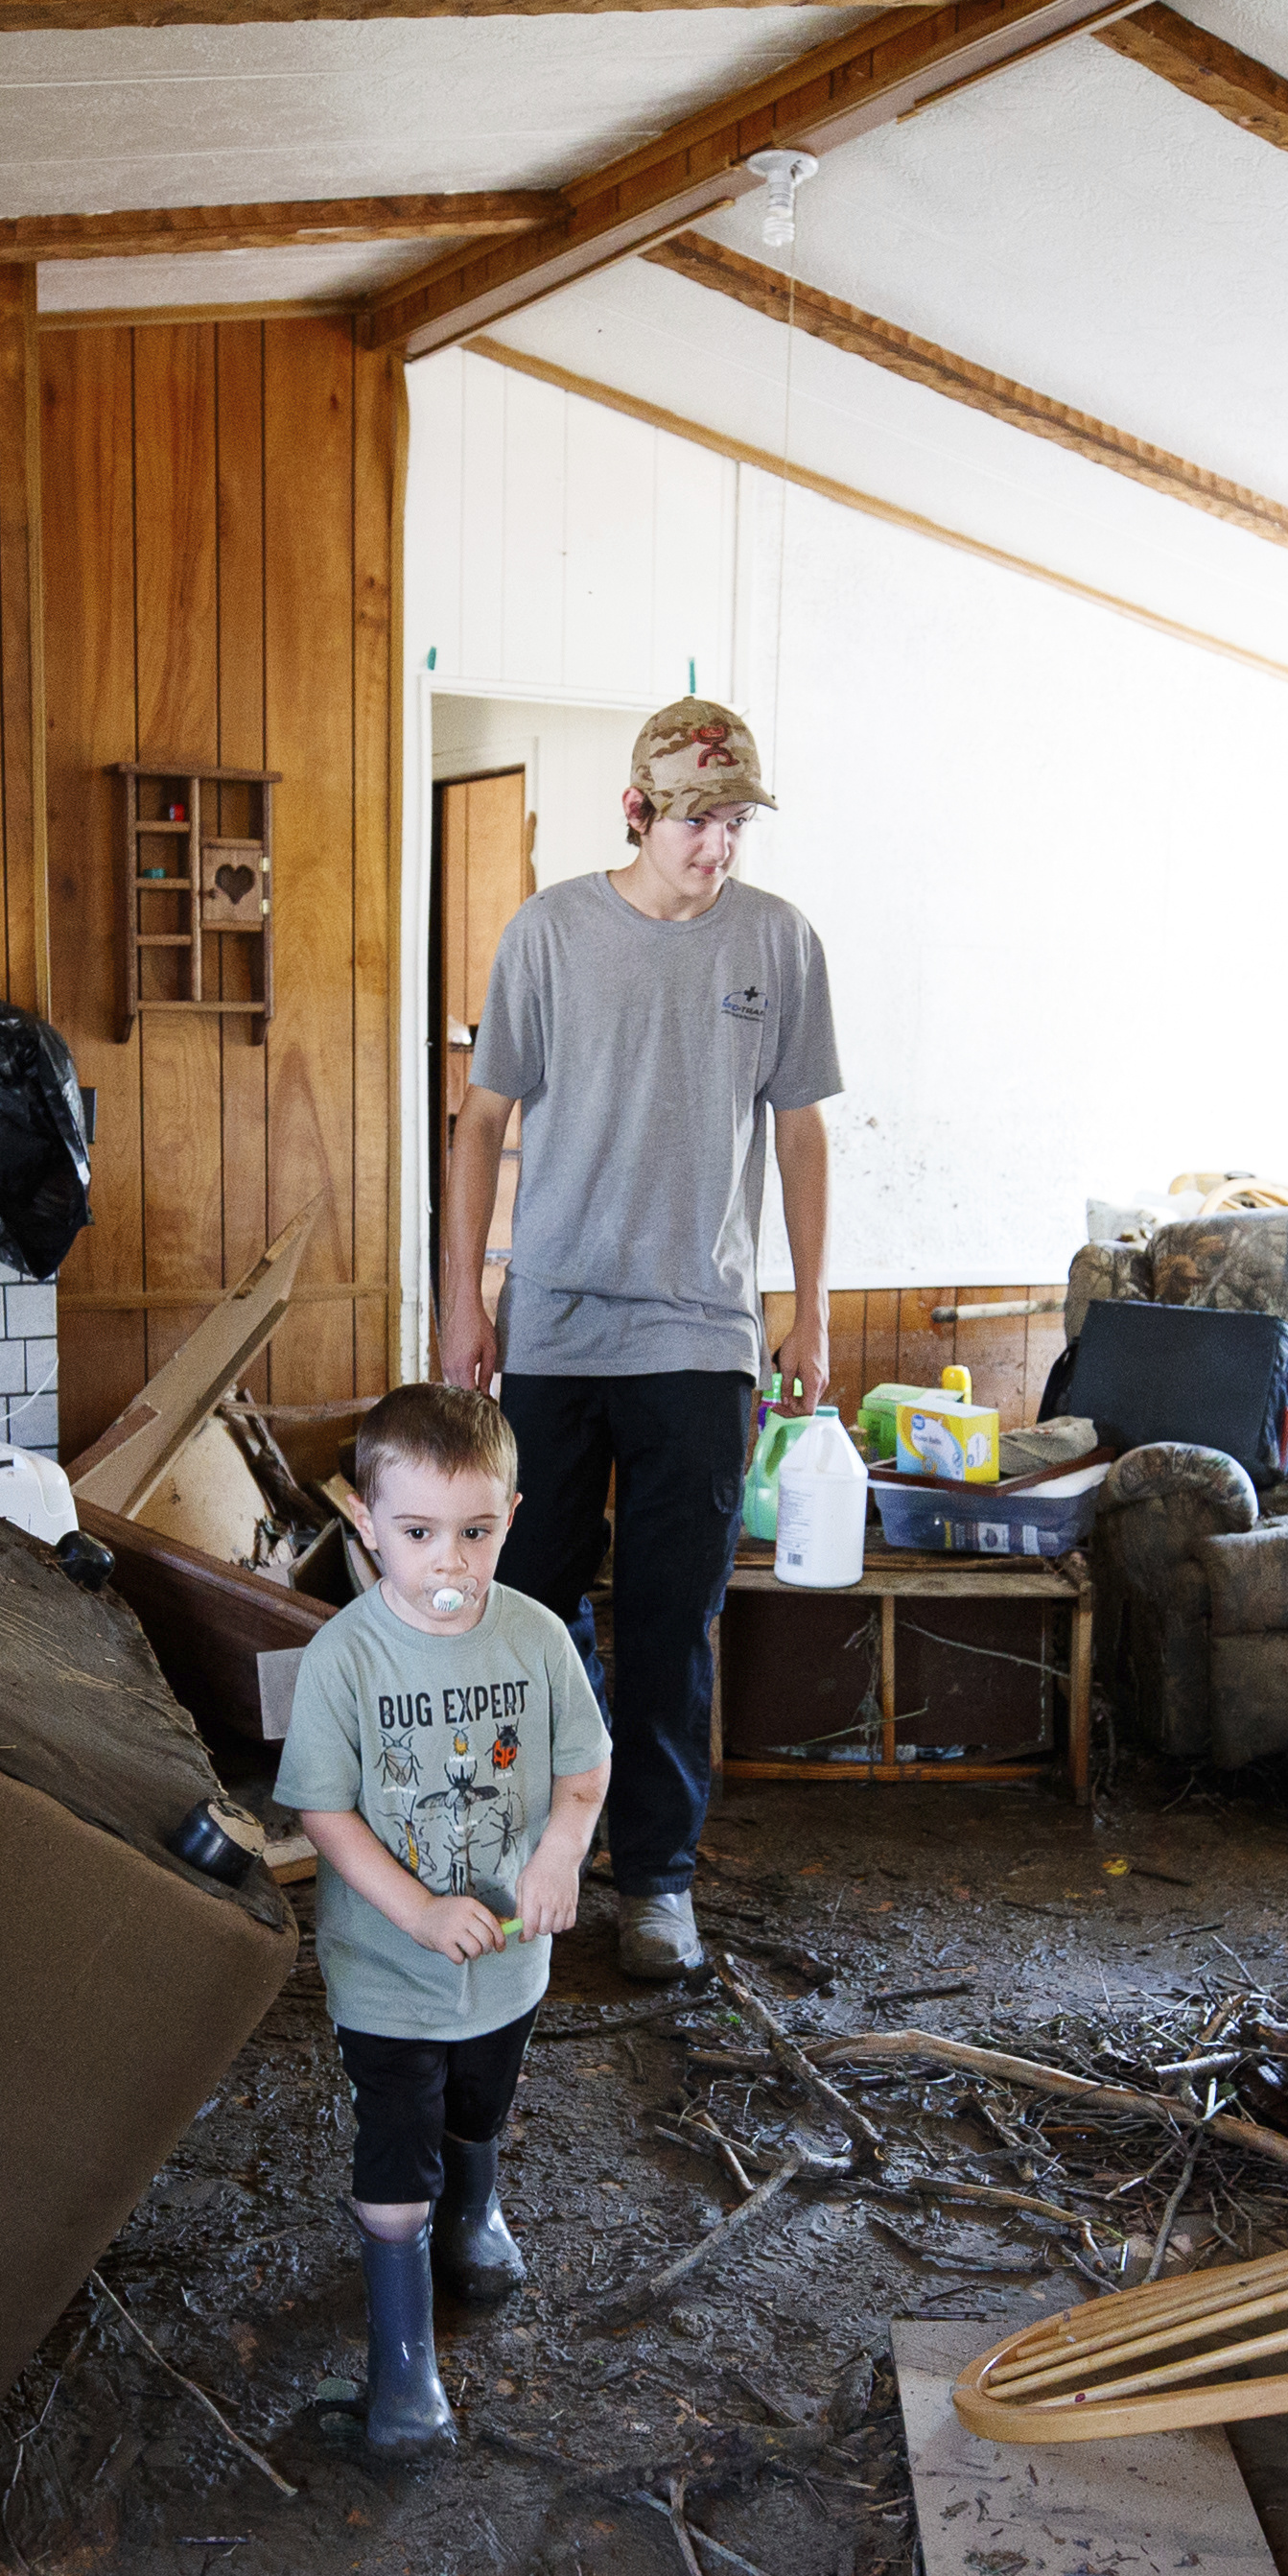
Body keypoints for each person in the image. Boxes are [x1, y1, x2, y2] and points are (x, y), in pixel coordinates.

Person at [436, 696, 839, 1989]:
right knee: (528, 1614)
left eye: (733, 822)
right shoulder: (551, 934)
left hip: (702, 1336)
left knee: (673, 1625)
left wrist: (812, 1309)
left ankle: (656, 1882)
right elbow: (483, 1122)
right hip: (554, 1330)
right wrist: (464, 1299)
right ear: (635, 811)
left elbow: (801, 1134)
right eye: (693, 821)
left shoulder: (779, 942)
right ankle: (509, 1859)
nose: (715, 845)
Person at [273, 1383, 615, 2453]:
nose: (450, 1563)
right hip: (387, 1968)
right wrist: (417, 1908)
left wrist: (562, 1853)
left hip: (508, 1965)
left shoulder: (539, 1637)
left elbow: (586, 1767)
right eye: (418, 1534)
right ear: (365, 1524)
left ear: (512, 1516)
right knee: (396, 2148)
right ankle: (406, 2368)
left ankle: (477, 2210)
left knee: (481, 2102)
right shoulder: (342, 1657)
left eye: (476, 1532)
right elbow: (322, 1811)